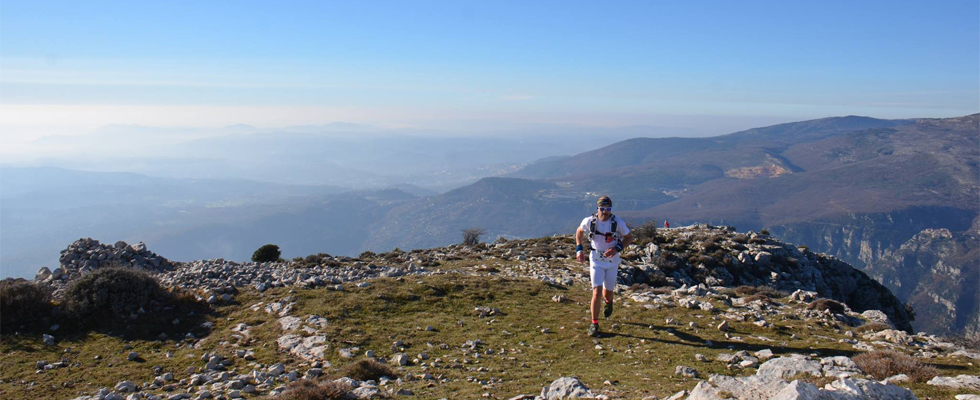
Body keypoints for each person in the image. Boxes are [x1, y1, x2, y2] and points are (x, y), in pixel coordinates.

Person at [575, 196, 633, 337]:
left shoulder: (617, 222)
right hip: (596, 260)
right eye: (602, 209)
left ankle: (609, 301)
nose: (605, 212)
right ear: (597, 208)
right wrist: (579, 249)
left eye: (608, 209)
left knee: (607, 293)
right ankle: (594, 324)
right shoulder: (590, 221)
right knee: (596, 292)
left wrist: (617, 248)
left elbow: (629, 237)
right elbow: (579, 231)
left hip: (612, 262)